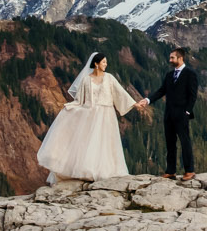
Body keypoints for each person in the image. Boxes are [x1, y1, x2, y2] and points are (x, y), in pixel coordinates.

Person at [36, 53, 146, 184]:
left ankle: (105, 170)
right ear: (96, 64)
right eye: (104, 62)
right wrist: (70, 107)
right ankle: (87, 170)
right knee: (89, 143)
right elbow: (80, 100)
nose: (106, 64)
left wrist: (134, 104)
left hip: (106, 115)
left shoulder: (109, 78)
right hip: (91, 115)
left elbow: (120, 93)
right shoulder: (86, 80)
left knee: (104, 142)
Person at [147, 47, 199, 179]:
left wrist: (187, 111)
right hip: (169, 115)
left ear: (180, 58)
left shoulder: (190, 73)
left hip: (182, 114)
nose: (170, 60)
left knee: (185, 142)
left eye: (172, 58)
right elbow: (161, 91)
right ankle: (170, 171)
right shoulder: (169, 75)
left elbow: (193, 95)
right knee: (170, 143)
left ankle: (189, 170)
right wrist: (148, 100)